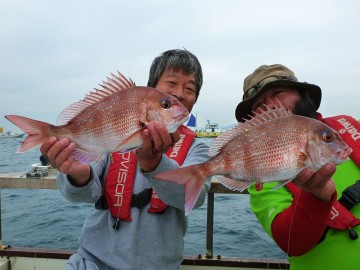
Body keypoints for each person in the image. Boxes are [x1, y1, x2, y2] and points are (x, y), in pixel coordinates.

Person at [40, 49, 211, 270]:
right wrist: (77, 176)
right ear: (151, 88)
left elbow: (193, 198)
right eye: (171, 83)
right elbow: (81, 194)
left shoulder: (198, 149)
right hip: (92, 263)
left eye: (189, 88)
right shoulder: (115, 136)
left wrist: (154, 164)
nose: (179, 94)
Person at [234, 64, 360, 269]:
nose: (270, 106)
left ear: (304, 95)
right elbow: (290, 242)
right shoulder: (259, 173)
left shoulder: (353, 126)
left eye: (278, 93)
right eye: (259, 106)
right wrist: (315, 198)